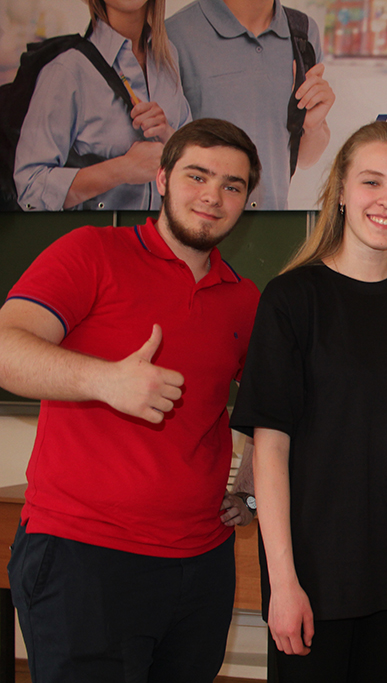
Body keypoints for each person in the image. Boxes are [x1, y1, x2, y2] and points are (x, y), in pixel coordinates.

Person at [0, 118, 263, 682]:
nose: (213, 196)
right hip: (84, 557)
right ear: (162, 179)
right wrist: (105, 381)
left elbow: (276, 408)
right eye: (197, 176)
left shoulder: (245, 299)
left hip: (201, 565)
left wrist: (251, 491)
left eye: (232, 185)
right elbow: (4, 347)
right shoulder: (91, 251)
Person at [229, 120, 387, 682]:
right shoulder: (292, 299)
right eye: (371, 182)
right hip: (314, 577)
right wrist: (282, 582)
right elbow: (270, 446)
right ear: (340, 190)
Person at [14, 0, 192, 211]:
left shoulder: (168, 56)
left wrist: (169, 136)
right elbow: (31, 189)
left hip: (161, 231)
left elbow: (196, 166)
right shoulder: (67, 70)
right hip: (100, 231)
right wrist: (122, 169)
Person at [167, 0, 335, 210]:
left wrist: (312, 125)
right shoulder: (175, 34)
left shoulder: (303, 31)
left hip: (272, 218)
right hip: (204, 219)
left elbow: (306, 158)